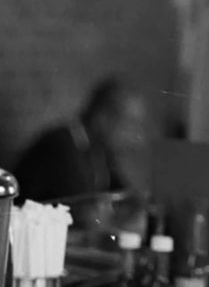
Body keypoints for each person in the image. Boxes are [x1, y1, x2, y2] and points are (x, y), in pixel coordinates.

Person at [14, 76, 152, 203]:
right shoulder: (63, 147)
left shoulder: (100, 149)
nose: (136, 137)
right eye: (130, 124)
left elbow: (123, 195)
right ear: (103, 118)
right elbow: (85, 214)